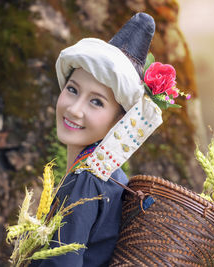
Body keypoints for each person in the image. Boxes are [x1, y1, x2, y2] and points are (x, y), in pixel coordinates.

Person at [30, 12, 172, 267]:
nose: (75, 109)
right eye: (72, 89)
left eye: (97, 102)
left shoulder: (86, 180)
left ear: (120, 121)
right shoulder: (109, 176)